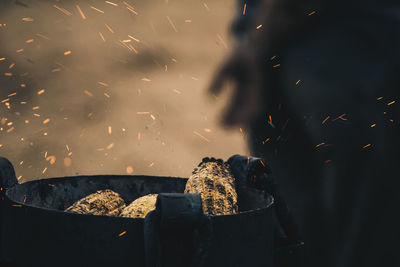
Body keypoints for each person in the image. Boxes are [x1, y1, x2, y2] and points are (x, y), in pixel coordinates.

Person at [209, 0, 400, 266]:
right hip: (345, 61)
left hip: (291, 52)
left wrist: (252, 44)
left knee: (305, 235)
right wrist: (253, 46)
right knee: (352, 238)